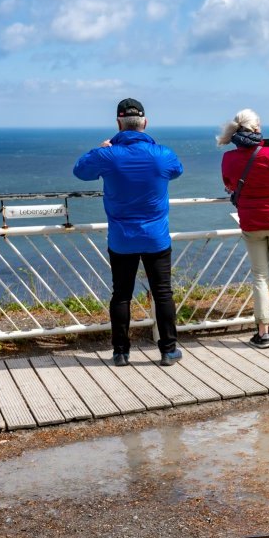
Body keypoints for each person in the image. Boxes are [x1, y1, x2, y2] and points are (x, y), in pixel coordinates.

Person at [73, 98, 184, 367]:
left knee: (121, 294)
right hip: (156, 237)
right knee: (163, 293)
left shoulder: (107, 156)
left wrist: (100, 149)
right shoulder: (162, 154)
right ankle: (168, 350)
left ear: (118, 124)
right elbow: (176, 171)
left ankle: (121, 352)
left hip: (122, 239)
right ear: (145, 123)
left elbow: (80, 171)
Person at [217, 109, 269, 349]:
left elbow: (229, 184)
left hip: (252, 223)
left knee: (260, 276)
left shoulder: (229, 159)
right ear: (256, 129)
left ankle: (262, 332)